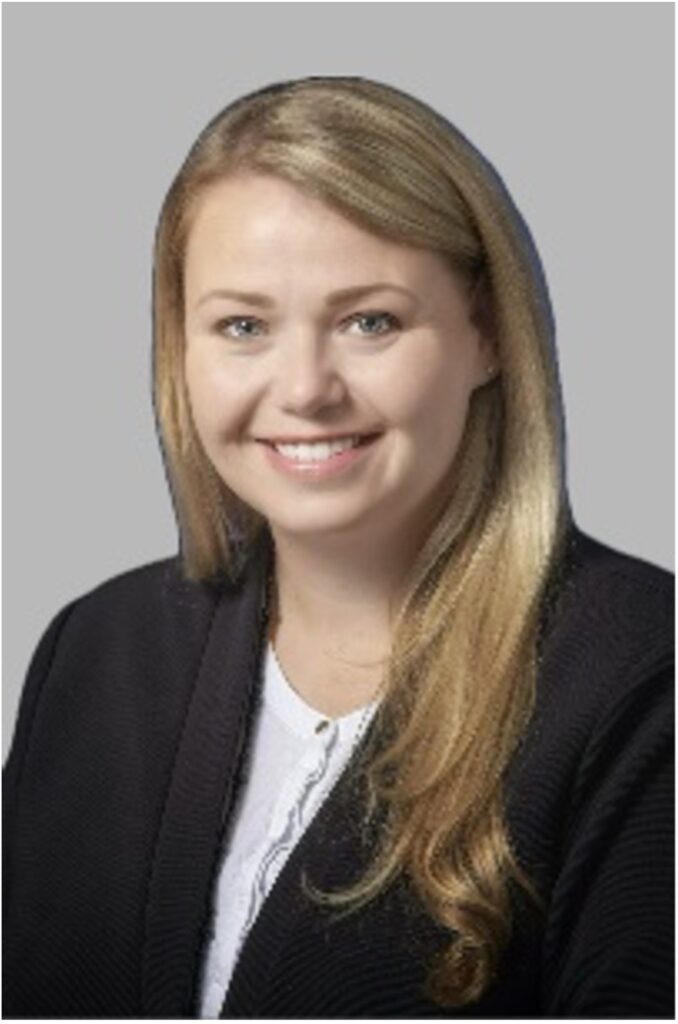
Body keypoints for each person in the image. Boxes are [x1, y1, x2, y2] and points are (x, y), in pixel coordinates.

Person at [3, 76, 673, 1020]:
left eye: (370, 322)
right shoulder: (99, 649)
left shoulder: (644, 678)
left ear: (486, 335)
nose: (306, 389)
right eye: (243, 326)